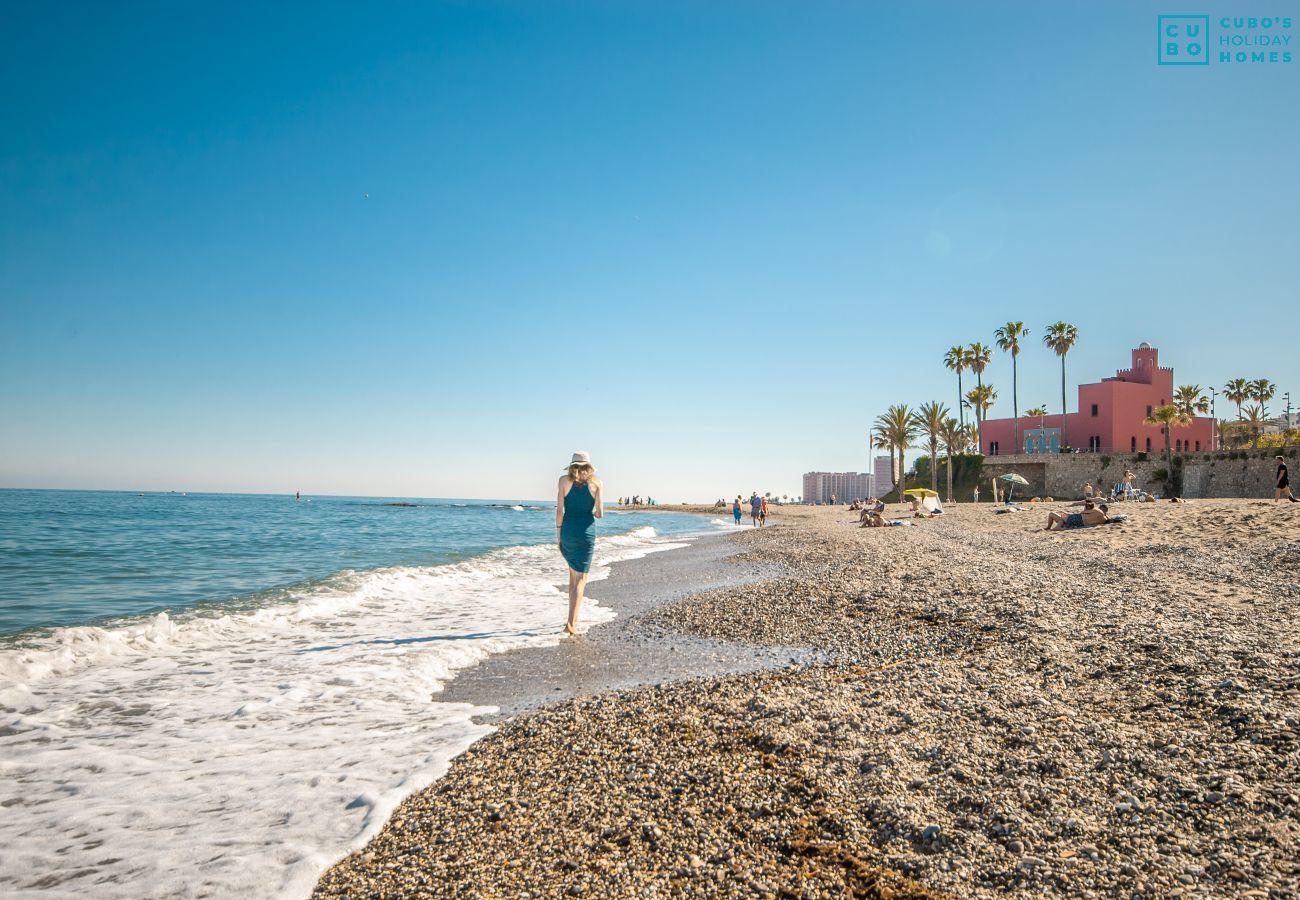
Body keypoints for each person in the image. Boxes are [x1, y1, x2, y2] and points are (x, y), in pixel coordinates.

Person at [556, 451, 603, 635]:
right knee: (581, 580)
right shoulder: (597, 483)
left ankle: (572, 619)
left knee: (572, 576)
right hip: (586, 533)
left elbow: (560, 510)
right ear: (589, 465)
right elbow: (599, 513)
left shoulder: (563, 481)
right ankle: (570, 623)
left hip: (567, 530)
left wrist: (558, 534)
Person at [1045, 500, 1110, 531]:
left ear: (1101, 508)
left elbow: (1083, 512)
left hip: (1078, 519)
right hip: (1079, 524)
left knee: (1060, 515)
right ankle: (1062, 526)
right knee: (1063, 518)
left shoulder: (1097, 510)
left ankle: (1054, 527)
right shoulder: (1105, 519)